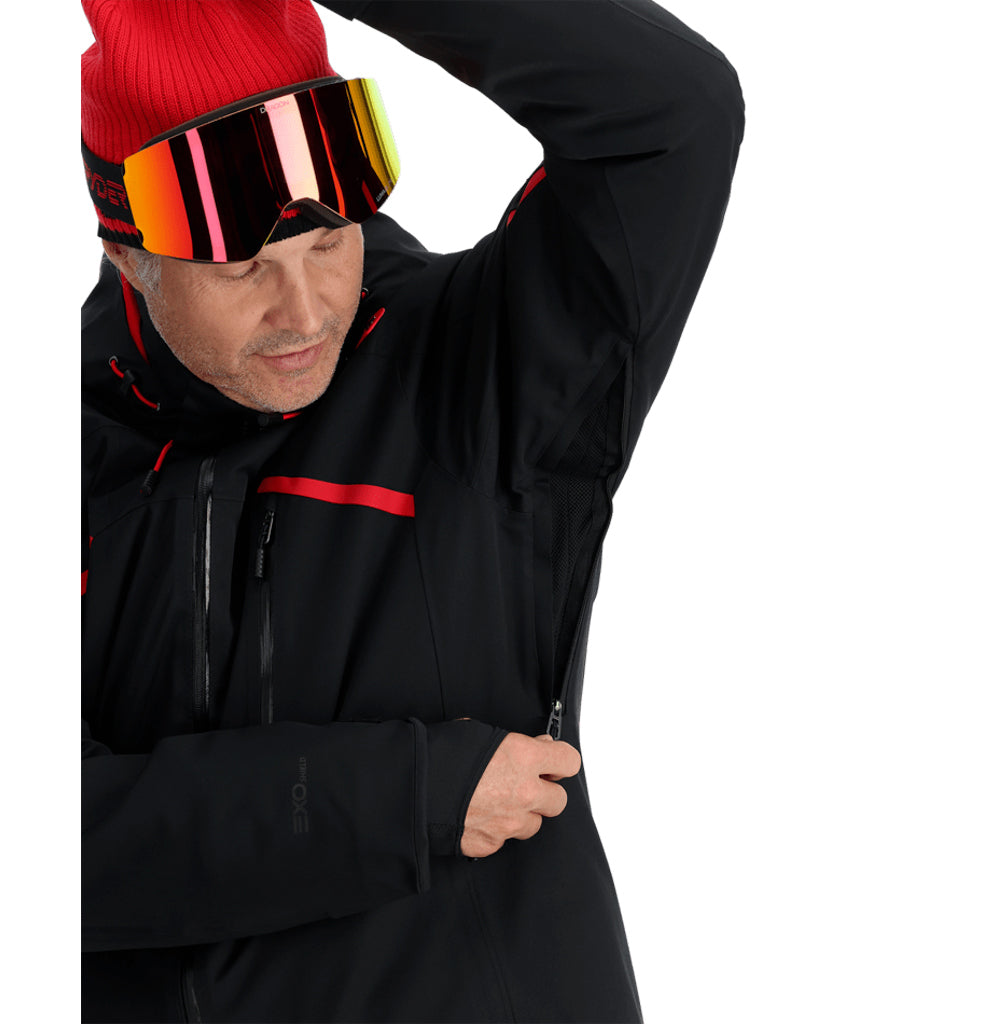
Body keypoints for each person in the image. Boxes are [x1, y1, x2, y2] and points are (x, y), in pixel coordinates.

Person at [81, 0, 744, 1020]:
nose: (305, 313)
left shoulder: (482, 377)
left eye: (326, 245)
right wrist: (402, 797)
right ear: (130, 256)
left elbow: (671, 108)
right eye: (243, 268)